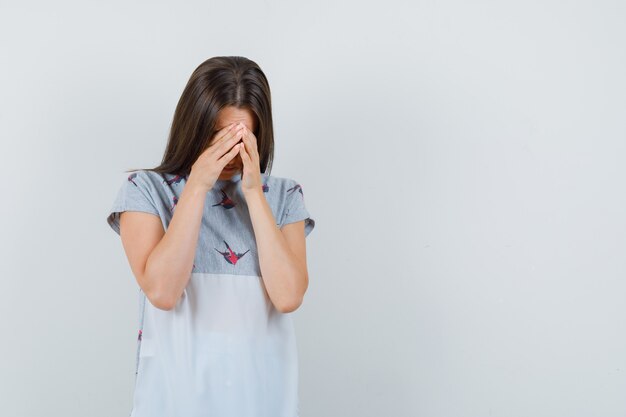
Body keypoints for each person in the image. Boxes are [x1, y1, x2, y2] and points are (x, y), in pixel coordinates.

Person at [106, 56, 315, 417]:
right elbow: (163, 291)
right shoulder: (145, 190)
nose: (231, 152)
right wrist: (199, 184)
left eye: (242, 137)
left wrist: (253, 192)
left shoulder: (283, 196)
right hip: (175, 397)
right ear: (194, 125)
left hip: (261, 396)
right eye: (219, 137)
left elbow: (288, 297)